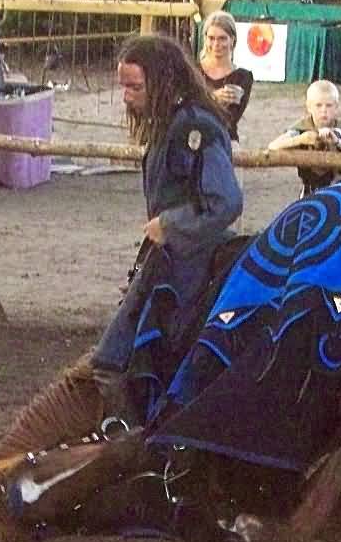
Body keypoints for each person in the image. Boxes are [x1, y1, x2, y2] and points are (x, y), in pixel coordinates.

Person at [91, 35, 243, 402]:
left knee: (125, 359)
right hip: (171, 259)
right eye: (124, 87)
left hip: (194, 267)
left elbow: (226, 202)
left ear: (161, 82)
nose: (126, 96)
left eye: (135, 87)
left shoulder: (195, 128)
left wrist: (170, 224)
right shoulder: (171, 124)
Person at [268, 80, 341, 198]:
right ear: (309, 107)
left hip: (337, 188)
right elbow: (272, 146)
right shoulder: (301, 128)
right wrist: (301, 139)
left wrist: (338, 142)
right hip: (309, 189)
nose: (324, 110)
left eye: (329, 105)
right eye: (318, 105)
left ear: (336, 107)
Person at [198, 11, 254, 144]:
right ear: (205, 39)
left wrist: (202, 102)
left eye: (222, 38)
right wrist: (213, 97)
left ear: (232, 40)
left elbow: (231, 119)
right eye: (211, 38)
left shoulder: (242, 77)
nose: (216, 44)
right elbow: (184, 110)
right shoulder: (192, 70)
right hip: (194, 139)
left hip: (225, 141)